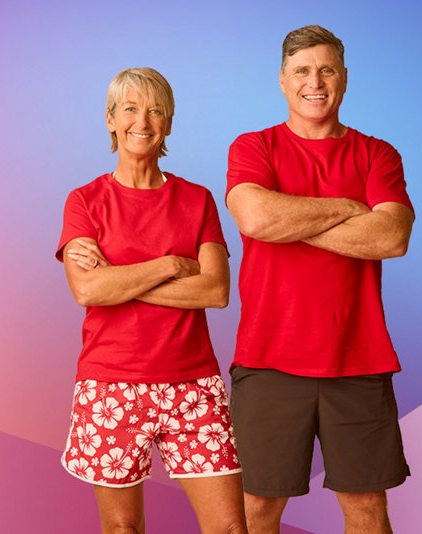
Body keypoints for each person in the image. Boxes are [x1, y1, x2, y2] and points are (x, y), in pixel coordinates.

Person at [225, 25, 415, 534]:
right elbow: (256, 219)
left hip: (358, 358)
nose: (316, 81)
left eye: (327, 69)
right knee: (257, 511)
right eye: (302, 71)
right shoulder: (253, 147)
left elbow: (391, 239)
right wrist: (347, 210)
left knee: (367, 509)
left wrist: (290, 223)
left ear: (345, 79)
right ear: (282, 82)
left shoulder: (377, 154)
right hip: (268, 360)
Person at [57, 67, 247, 534]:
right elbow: (87, 290)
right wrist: (167, 264)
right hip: (111, 385)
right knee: (124, 530)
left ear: (169, 122)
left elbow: (215, 291)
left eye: (155, 110)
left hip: (193, 386)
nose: (142, 121)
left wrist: (118, 278)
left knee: (229, 529)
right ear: (109, 120)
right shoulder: (84, 201)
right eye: (129, 109)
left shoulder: (197, 200)